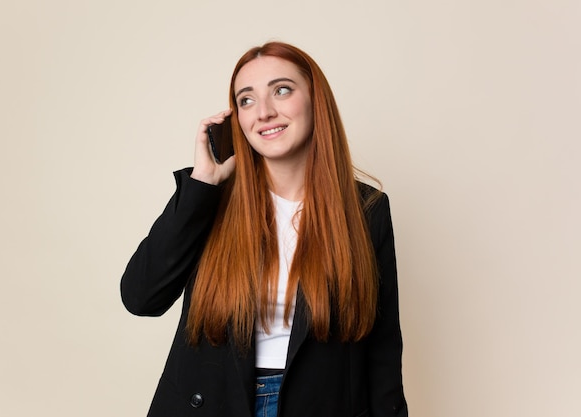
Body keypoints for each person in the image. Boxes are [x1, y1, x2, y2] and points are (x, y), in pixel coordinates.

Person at [121, 41, 408, 417]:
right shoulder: (212, 199)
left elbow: (382, 346)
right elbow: (141, 297)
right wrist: (202, 184)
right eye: (246, 100)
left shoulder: (365, 209)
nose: (265, 112)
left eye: (282, 90)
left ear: (315, 101)